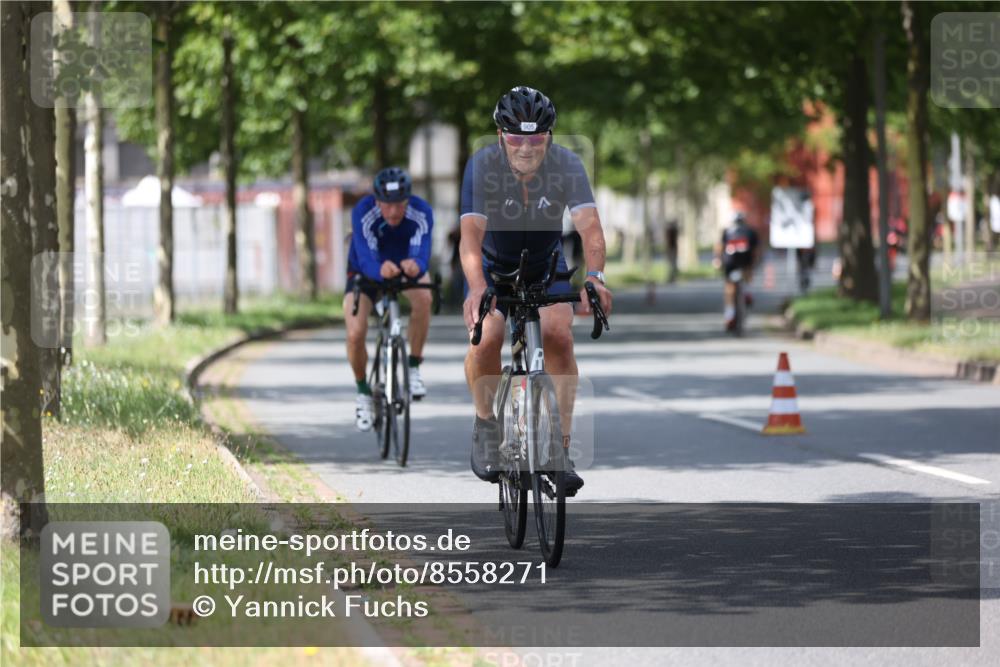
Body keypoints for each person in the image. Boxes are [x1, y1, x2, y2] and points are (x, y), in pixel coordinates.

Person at [459, 85, 613, 496]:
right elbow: (470, 238)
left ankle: (559, 450)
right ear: (499, 136)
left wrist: (595, 276)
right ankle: (486, 423)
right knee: (487, 335)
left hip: (545, 265)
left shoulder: (567, 165)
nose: (525, 148)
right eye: (515, 138)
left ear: (549, 136)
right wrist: (476, 289)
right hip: (491, 268)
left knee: (559, 335)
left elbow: (591, 229)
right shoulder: (481, 165)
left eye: (536, 138)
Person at [345, 167, 434, 431]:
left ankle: (414, 365)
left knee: (424, 298)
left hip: (404, 269)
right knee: (355, 331)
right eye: (387, 205)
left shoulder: (422, 211)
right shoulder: (363, 212)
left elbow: (423, 250)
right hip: (366, 272)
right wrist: (379, 269)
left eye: (400, 205)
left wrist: (416, 264)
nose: (394, 212)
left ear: (408, 201)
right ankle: (363, 391)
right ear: (377, 201)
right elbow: (365, 256)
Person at [713, 212, 760, 331]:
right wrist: (756, 263)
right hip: (745, 263)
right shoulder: (750, 232)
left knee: (729, 288)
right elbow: (756, 250)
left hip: (731, 264)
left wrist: (717, 260)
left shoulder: (727, 231)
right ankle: (747, 294)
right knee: (747, 277)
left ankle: (729, 314)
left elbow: (719, 247)